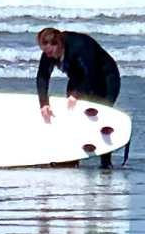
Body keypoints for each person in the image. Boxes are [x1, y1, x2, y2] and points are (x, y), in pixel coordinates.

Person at [36, 27, 121, 168]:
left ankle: (106, 163)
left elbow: (92, 73)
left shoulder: (80, 45)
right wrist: (44, 103)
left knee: (100, 118)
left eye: (50, 52)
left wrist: (76, 94)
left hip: (105, 77)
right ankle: (73, 158)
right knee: (72, 113)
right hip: (78, 77)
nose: (48, 56)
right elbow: (42, 77)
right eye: (45, 52)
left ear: (57, 44)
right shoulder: (48, 52)